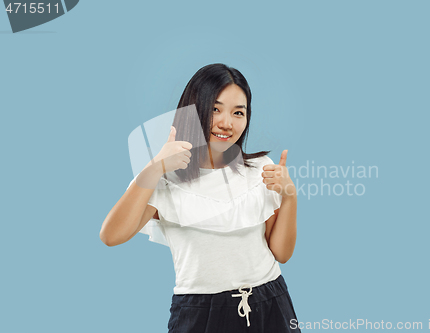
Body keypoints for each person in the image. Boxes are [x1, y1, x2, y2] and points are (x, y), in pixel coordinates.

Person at [100, 63, 301, 332]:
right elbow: (111, 236)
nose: (226, 123)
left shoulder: (260, 170)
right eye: (215, 109)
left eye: (238, 112)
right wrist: (155, 167)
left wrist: (290, 197)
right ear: (194, 110)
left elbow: (281, 253)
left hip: (270, 303)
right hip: (201, 312)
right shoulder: (165, 180)